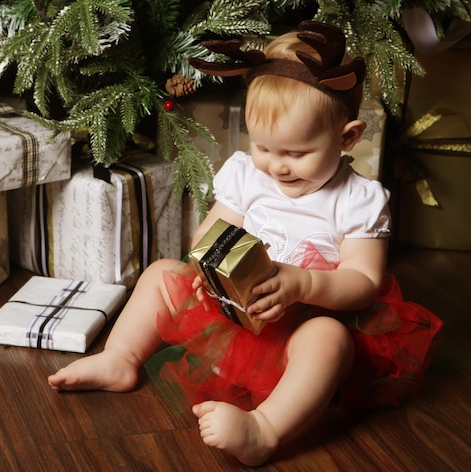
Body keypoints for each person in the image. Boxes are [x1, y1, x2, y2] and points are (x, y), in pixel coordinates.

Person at [48, 21, 443, 466]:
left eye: (297, 153)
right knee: (162, 273)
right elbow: (212, 235)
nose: (277, 166)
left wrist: (303, 285)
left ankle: (266, 427)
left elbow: (365, 280)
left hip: (300, 327)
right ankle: (120, 358)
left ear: (347, 136)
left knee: (329, 338)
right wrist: (205, 273)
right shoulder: (247, 175)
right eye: (264, 147)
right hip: (232, 315)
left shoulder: (358, 200)